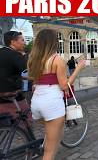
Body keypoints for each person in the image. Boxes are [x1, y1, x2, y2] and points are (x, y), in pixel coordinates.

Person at [28, 29, 85, 160]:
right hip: (51, 103)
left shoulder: (34, 59)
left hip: (36, 103)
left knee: (54, 137)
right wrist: (78, 69)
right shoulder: (56, 59)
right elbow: (64, 85)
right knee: (49, 151)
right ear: (53, 42)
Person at [0, 31, 29, 118]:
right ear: (13, 42)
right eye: (22, 40)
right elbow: (27, 73)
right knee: (26, 119)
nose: (24, 42)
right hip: (13, 96)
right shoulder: (15, 55)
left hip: (1, 96)